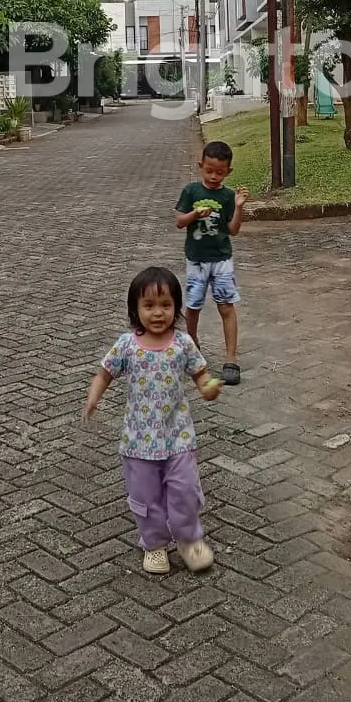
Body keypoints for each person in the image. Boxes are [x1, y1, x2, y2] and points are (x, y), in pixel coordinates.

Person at [83, 266, 221, 576]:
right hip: (138, 441)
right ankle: (155, 544)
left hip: (178, 437)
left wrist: (208, 388)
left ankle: (189, 541)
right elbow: (104, 373)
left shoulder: (183, 343)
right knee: (146, 498)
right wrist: (94, 396)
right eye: (149, 305)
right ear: (135, 309)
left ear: (176, 307)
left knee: (185, 491)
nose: (158, 313)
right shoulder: (127, 345)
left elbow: (201, 375)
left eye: (166, 305)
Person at [175, 140, 248, 385]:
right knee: (193, 306)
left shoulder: (227, 196)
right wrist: (195, 214)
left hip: (221, 260)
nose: (214, 177)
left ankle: (231, 358)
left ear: (228, 171)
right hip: (196, 260)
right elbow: (180, 222)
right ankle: (192, 346)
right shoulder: (192, 191)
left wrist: (238, 208)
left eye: (219, 172)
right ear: (200, 166)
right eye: (209, 171)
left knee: (226, 306)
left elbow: (233, 230)